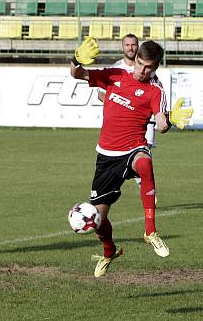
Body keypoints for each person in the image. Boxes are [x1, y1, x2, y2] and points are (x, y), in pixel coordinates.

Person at [70, 37, 193, 277]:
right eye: (140, 64)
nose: (142, 70)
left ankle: (150, 231)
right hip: (106, 156)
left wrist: (167, 121)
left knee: (145, 163)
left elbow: (160, 124)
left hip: (134, 148)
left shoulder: (155, 90)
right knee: (97, 219)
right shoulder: (115, 75)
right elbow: (77, 74)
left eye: (148, 67)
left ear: (155, 67)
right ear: (135, 59)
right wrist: (76, 58)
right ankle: (110, 251)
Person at [97, 34, 156, 149]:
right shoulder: (115, 68)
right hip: (120, 124)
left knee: (143, 157)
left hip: (144, 122)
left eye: (133, 45)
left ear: (138, 47)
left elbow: (153, 92)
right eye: (127, 45)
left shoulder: (146, 69)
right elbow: (100, 94)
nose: (130, 48)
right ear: (122, 47)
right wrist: (122, 106)